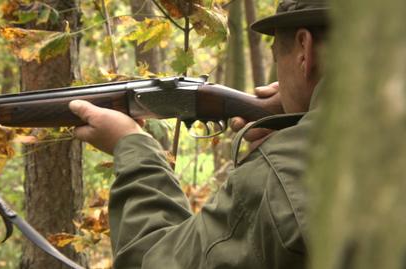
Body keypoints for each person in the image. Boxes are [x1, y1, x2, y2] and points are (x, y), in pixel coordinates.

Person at [69, 0, 329, 268]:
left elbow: (152, 260)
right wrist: (301, 112)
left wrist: (131, 146)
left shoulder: (280, 176)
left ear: (303, 50)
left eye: (276, 56)